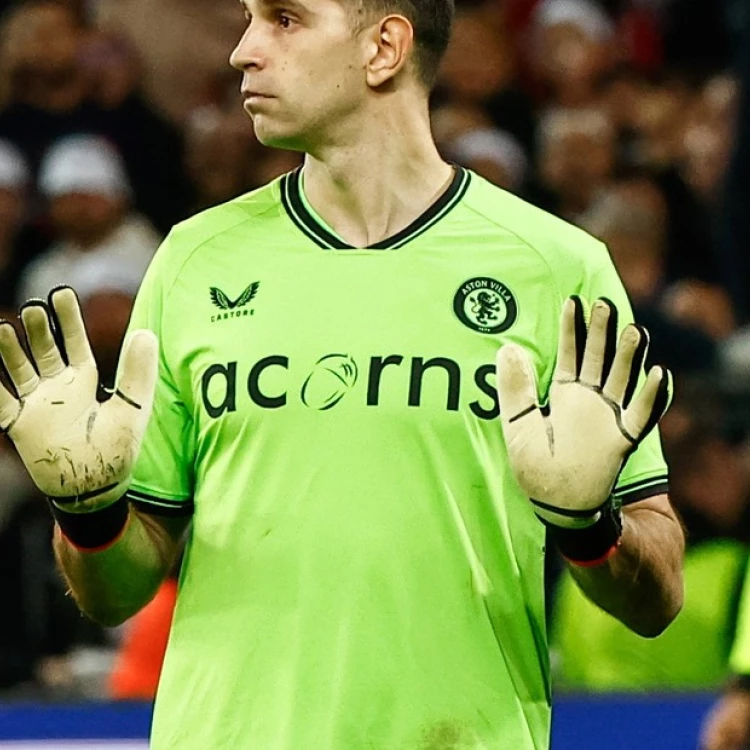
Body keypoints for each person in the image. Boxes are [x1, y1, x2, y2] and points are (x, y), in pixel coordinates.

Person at [0, 0, 684, 748]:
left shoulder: (557, 268)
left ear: (384, 47)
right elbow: (115, 594)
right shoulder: (195, 262)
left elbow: (659, 598)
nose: (243, 51)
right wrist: (88, 512)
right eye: (250, 19)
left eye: (285, 20)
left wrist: (591, 530)